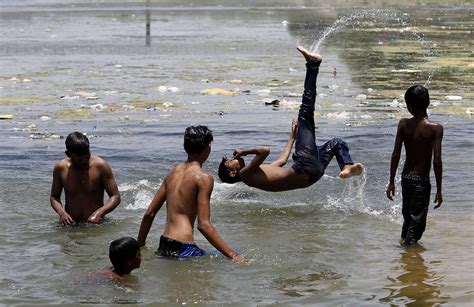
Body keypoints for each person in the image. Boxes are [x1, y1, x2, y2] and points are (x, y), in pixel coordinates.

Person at [218, 46, 363, 192]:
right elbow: (264, 151)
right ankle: (313, 65)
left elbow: (282, 160)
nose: (232, 158)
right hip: (304, 167)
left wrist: (292, 138)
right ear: (232, 172)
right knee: (306, 111)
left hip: (313, 174)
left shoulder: (254, 174)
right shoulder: (245, 174)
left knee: (336, 143)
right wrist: (244, 152)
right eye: (230, 162)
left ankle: (347, 166)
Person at [137, 126, 246, 263]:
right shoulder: (204, 177)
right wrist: (234, 256)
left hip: (164, 243)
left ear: (185, 147)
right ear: (208, 148)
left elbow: (149, 213)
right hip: (184, 248)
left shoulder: (172, 173)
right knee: (234, 256)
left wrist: (139, 247)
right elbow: (203, 224)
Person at [386, 85, 443, 246]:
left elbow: (396, 154)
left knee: (409, 219)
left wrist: (392, 181)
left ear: (410, 106)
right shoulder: (435, 128)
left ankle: (405, 252)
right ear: (428, 102)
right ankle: (409, 256)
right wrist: (439, 189)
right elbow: (437, 161)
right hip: (421, 182)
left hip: (406, 179)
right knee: (417, 223)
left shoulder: (403, 124)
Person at [50, 132, 121, 225]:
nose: (84, 159)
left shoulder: (101, 166)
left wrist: (99, 213)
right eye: (79, 156)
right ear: (68, 154)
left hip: (96, 224)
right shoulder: (61, 168)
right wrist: (62, 213)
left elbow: (115, 196)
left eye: (87, 154)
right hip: (70, 224)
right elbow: (54, 197)